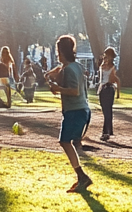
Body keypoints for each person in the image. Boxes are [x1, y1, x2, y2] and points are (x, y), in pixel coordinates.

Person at [46, 34, 93, 193]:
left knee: (66, 141)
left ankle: (82, 176)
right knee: (67, 142)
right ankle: (81, 177)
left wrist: (58, 89)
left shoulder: (70, 70)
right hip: (79, 110)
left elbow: (74, 91)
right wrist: (51, 76)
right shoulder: (75, 66)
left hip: (76, 111)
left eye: (58, 51)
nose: (57, 54)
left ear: (62, 51)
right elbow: (60, 70)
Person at [97, 47, 120, 141]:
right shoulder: (102, 65)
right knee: (105, 110)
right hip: (102, 88)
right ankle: (108, 130)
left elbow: (115, 80)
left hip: (108, 88)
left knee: (107, 111)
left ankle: (106, 132)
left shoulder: (112, 67)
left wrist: (118, 92)